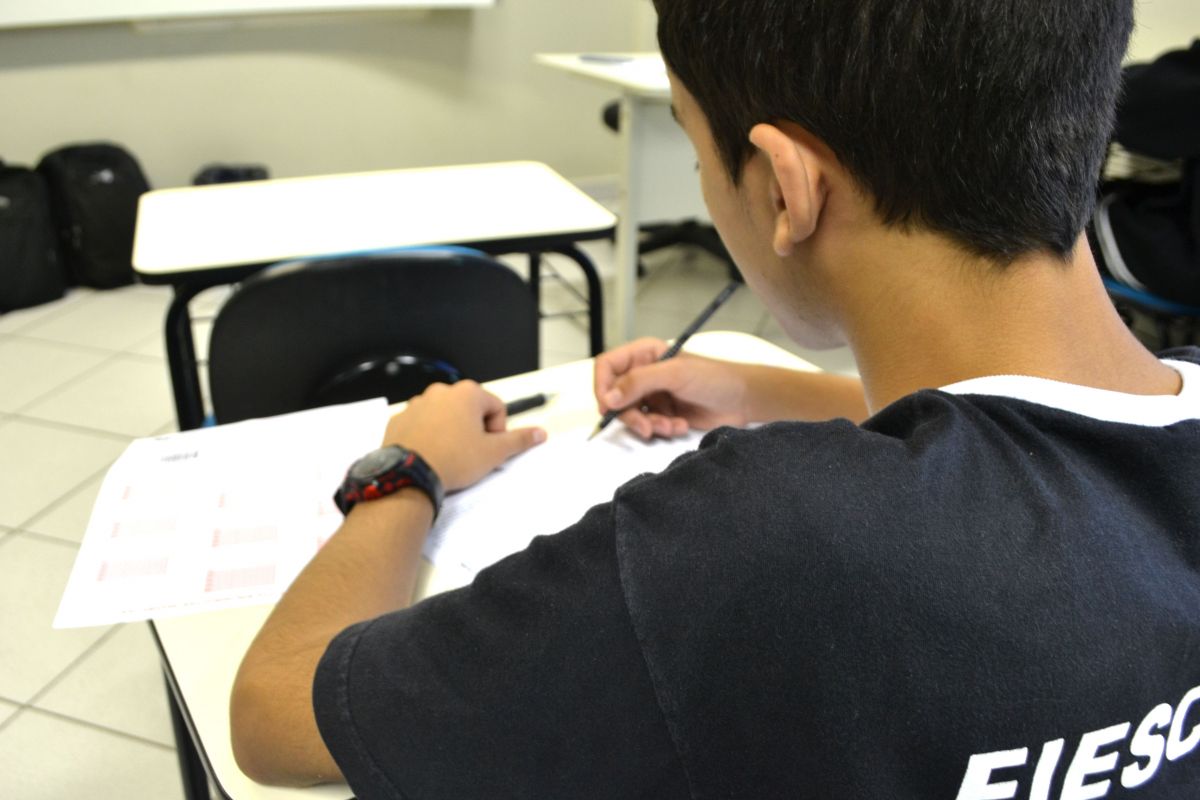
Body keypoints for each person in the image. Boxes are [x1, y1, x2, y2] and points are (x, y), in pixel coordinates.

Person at [230, 0, 1200, 797]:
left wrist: (407, 470)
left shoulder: (767, 534)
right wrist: (750, 384)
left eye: (697, 152)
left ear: (787, 187)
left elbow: (275, 712)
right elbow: (1039, 438)